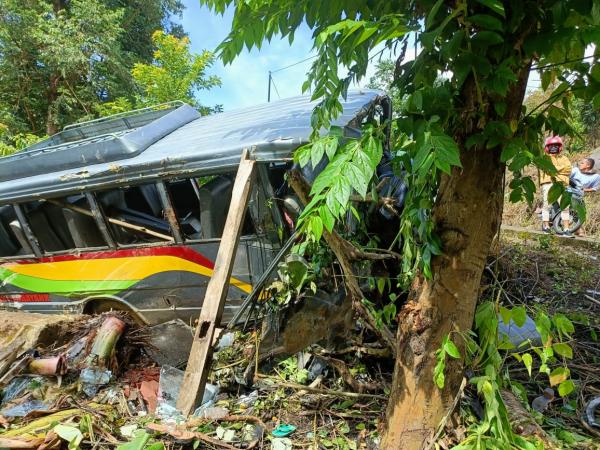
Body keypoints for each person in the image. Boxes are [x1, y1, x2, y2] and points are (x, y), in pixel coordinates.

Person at [539, 136, 572, 233]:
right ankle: (546, 227)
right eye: (551, 146)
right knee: (547, 205)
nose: (554, 147)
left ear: (560, 147)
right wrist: (559, 169)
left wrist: (553, 169)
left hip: (562, 184)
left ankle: (566, 229)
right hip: (548, 183)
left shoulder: (565, 158)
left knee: (565, 206)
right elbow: (547, 169)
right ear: (547, 147)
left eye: (556, 145)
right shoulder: (544, 158)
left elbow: (568, 169)